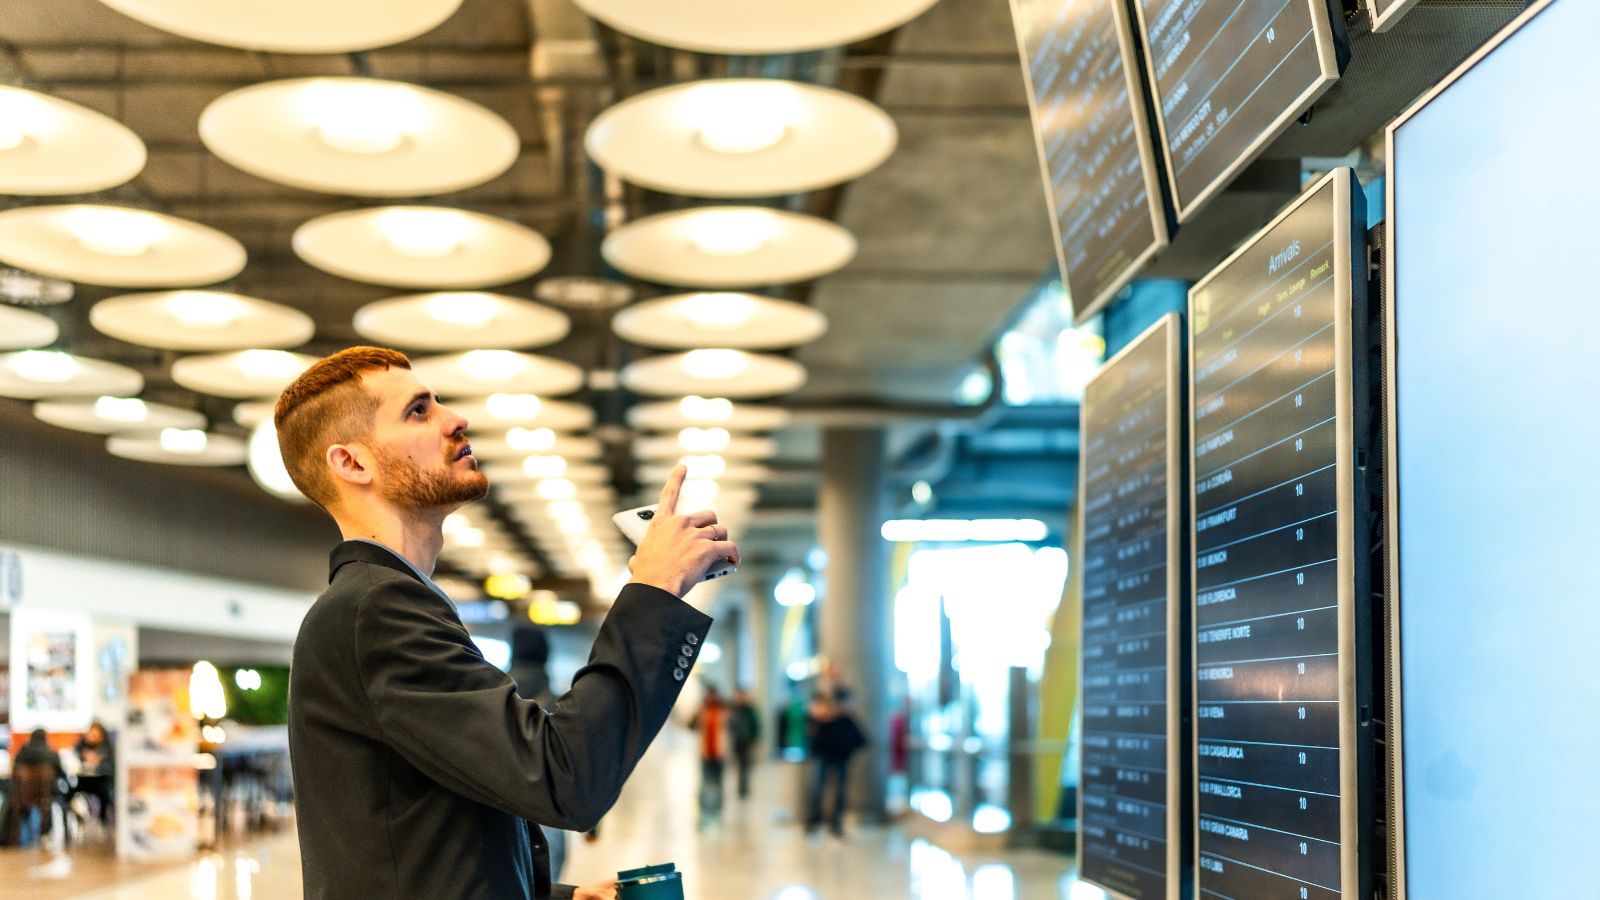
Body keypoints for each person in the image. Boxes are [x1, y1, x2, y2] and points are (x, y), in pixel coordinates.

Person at [276, 347, 738, 900]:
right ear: (352, 463)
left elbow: (428, 839)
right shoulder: (374, 611)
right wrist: (656, 589)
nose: (455, 418)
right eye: (418, 411)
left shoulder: (394, 603)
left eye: (439, 402)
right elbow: (565, 776)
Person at [805, 688, 868, 838]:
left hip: (841, 759)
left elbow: (862, 740)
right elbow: (814, 739)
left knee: (839, 792)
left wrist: (847, 749)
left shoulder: (847, 720)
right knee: (818, 789)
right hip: (824, 758)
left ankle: (836, 824)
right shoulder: (822, 720)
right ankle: (814, 821)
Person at [690, 685, 727, 820]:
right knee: (706, 782)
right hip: (705, 753)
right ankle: (705, 809)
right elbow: (691, 725)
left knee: (717, 782)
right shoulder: (702, 711)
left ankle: (717, 809)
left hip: (719, 752)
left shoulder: (723, 711)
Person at [72, 721, 115, 825]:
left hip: (101, 782)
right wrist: (84, 758)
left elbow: (111, 767)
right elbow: (74, 757)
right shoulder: (81, 745)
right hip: (83, 781)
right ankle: (80, 818)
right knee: (71, 793)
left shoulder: (107, 747)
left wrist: (97, 763)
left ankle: (103, 821)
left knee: (104, 795)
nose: (92, 736)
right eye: (91, 733)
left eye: (95, 734)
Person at [728, 688, 761, 800]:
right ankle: (740, 787)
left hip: (747, 742)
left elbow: (755, 726)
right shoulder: (735, 709)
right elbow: (731, 724)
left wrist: (754, 739)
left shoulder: (750, 711)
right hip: (737, 742)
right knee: (739, 766)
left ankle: (744, 788)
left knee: (745, 766)